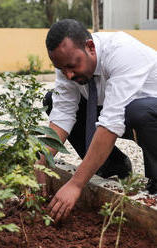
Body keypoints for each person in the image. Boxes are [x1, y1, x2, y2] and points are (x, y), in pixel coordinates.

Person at [40, 19, 157, 223]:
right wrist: (40, 164)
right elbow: (62, 115)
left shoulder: (122, 52)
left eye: (72, 66)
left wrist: (76, 184)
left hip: (149, 114)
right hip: (125, 113)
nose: (68, 74)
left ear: (90, 47)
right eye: (61, 69)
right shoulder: (68, 69)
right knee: (52, 100)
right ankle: (114, 166)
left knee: (138, 111)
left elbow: (111, 123)